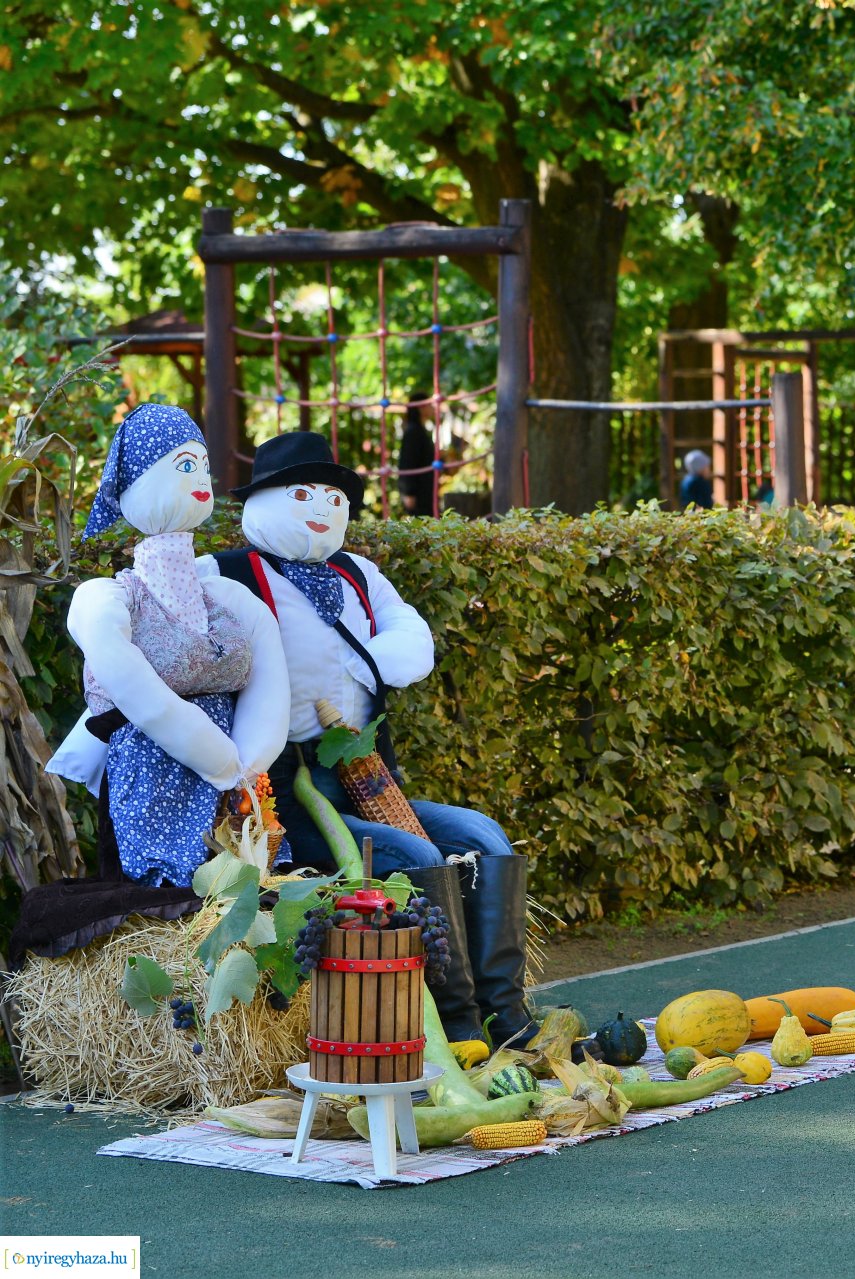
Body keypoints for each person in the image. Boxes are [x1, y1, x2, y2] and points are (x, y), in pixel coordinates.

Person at [198, 431, 537, 1047]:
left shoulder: (356, 572)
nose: (321, 508)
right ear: (261, 502)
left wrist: (367, 664)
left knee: (484, 834)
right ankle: (459, 1024)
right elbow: (155, 618)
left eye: (333, 497)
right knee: (420, 859)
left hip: (364, 772)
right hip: (287, 793)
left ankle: (506, 1013)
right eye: (303, 494)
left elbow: (411, 634)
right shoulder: (224, 572)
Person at [47, 404, 291, 887]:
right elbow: (131, 683)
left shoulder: (224, 598)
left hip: (236, 777)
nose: (200, 477)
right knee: (173, 897)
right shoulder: (109, 597)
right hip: (153, 774)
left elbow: (269, 672)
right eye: (183, 466)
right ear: (141, 484)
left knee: (244, 889)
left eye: (201, 465)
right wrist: (217, 757)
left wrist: (249, 762)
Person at [395, 391, 439, 516]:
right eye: (429, 405)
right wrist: (409, 493)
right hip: (419, 494)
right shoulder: (413, 432)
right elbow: (407, 462)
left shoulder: (420, 430)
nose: (432, 408)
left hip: (425, 491)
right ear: (421, 407)